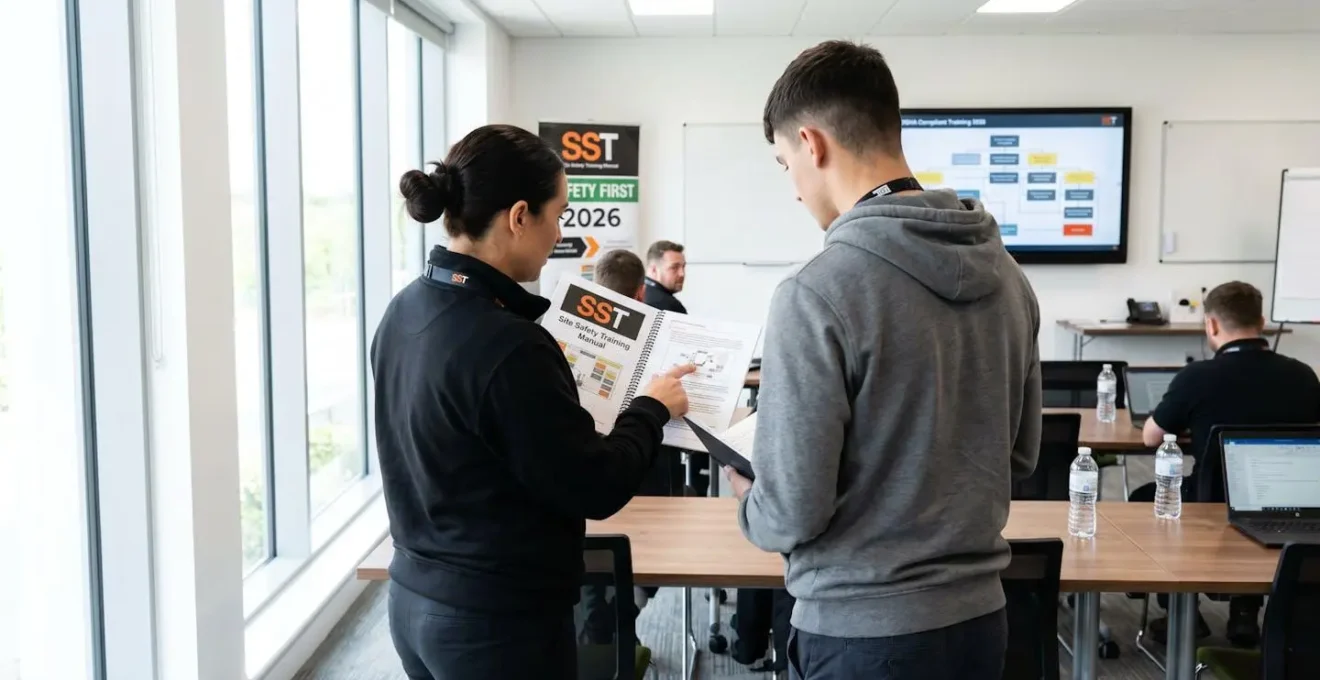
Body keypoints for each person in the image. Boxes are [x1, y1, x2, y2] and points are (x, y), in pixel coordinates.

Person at [724, 41, 1041, 679]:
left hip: (862, 634)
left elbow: (792, 513)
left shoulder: (816, 292)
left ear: (812, 145)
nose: (792, 188)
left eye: (785, 163)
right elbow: (1020, 455)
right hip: (982, 622)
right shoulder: (1008, 277)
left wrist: (749, 490)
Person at [371, 124, 694, 680]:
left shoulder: (403, 310)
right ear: (520, 216)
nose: (561, 231)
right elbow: (597, 486)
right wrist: (651, 407)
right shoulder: (508, 343)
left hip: (411, 600)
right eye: (560, 213)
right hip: (495, 623)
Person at [1140, 280, 1320, 647]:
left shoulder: (1197, 377)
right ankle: (1244, 613)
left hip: (1210, 502)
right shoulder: (1303, 375)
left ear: (1212, 325)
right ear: (1262, 320)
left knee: (1143, 499)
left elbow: (1151, 438)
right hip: (1293, 503)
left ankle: (1180, 611)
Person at [643, 240, 687, 313]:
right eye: (674, 267)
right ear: (654, 269)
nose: (682, 274)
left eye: (683, 266)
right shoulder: (669, 305)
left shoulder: (634, 294)